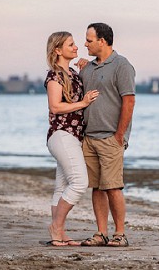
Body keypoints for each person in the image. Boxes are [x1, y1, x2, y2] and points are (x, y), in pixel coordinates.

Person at [77, 23, 136, 247]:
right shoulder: (88, 68)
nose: (85, 44)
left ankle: (120, 234)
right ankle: (101, 234)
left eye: (89, 40)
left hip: (111, 137)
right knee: (97, 187)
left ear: (102, 40)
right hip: (89, 137)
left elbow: (129, 101)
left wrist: (119, 135)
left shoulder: (122, 65)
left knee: (113, 186)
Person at [43, 31, 99, 246]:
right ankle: (56, 227)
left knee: (61, 186)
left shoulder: (74, 73)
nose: (76, 48)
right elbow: (55, 107)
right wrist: (83, 103)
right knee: (79, 183)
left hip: (73, 137)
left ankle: (60, 233)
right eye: (71, 45)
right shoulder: (54, 75)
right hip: (62, 134)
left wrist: (87, 68)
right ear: (58, 50)